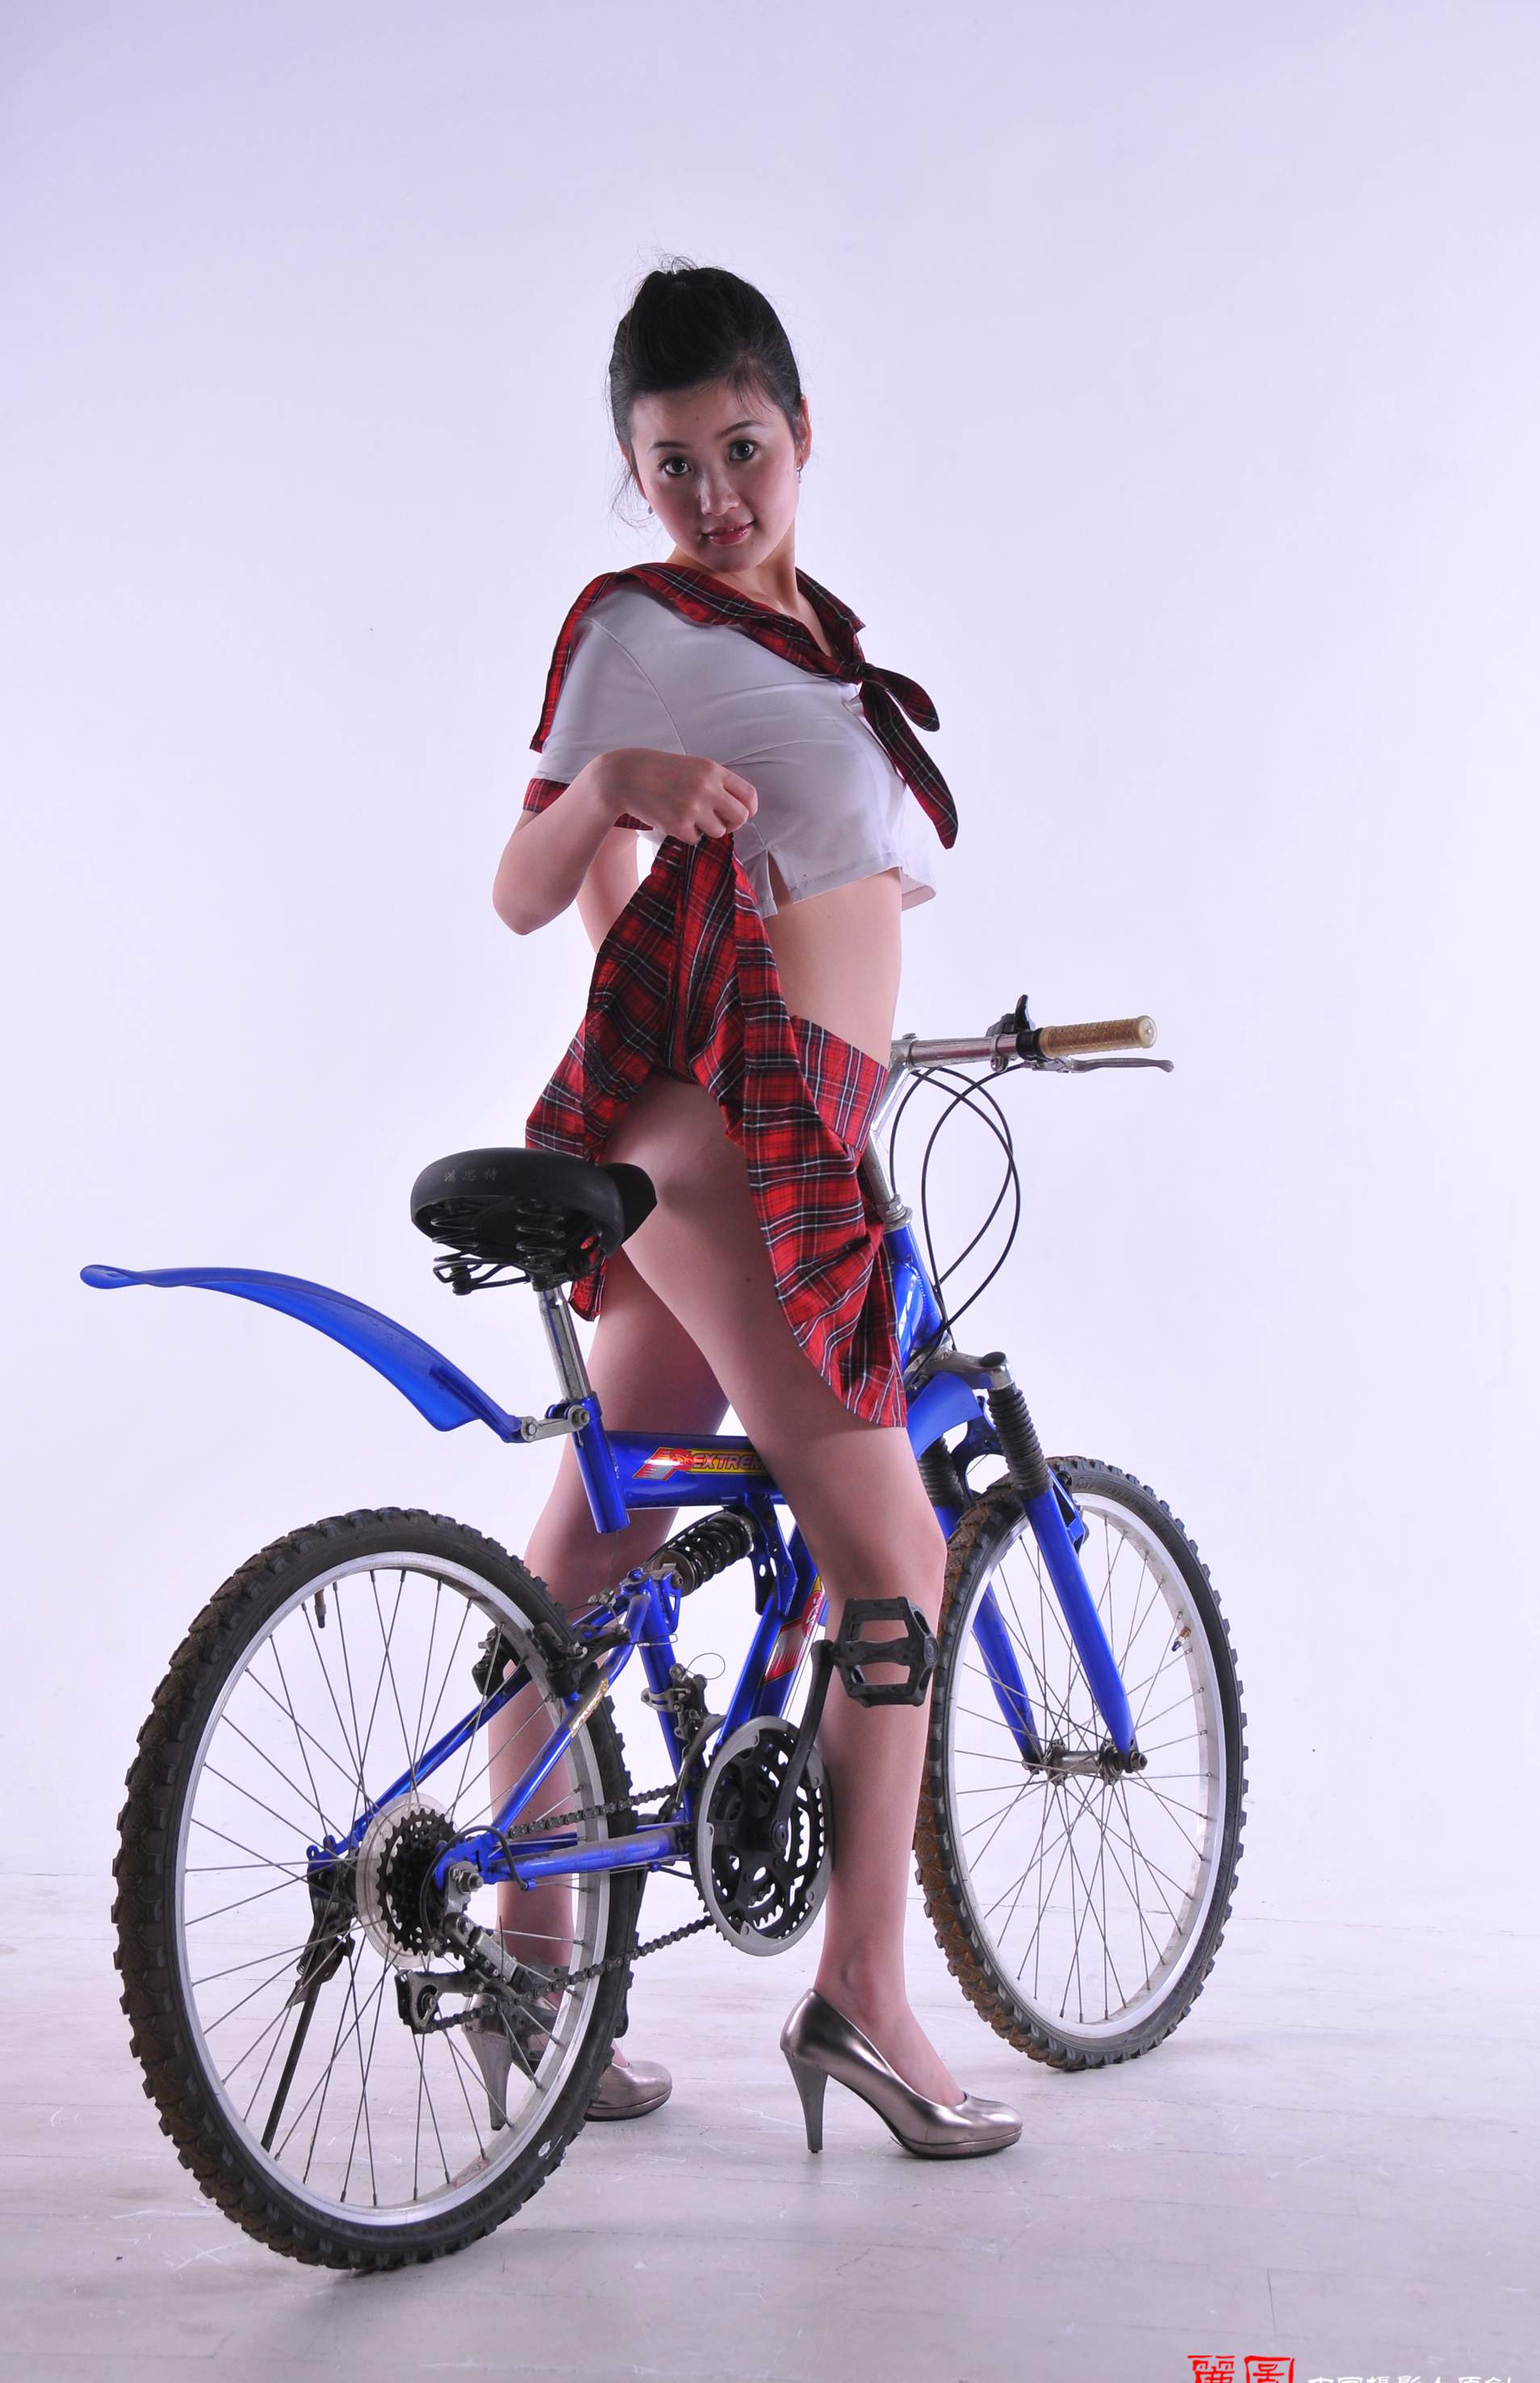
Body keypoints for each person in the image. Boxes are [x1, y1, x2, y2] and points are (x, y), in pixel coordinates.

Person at [487, 260, 1020, 2157]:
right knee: (896, 1560)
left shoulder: (812, 638)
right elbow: (529, 884)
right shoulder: (632, 625)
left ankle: (527, 1975)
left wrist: (840, 947)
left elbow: (807, 875)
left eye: (740, 449)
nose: (711, 494)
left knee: (581, 1557)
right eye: (670, 464)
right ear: (631, 475)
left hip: (775, 1116)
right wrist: (610, 790)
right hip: (742, 1125)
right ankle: (863, 1999)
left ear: (799, 433)